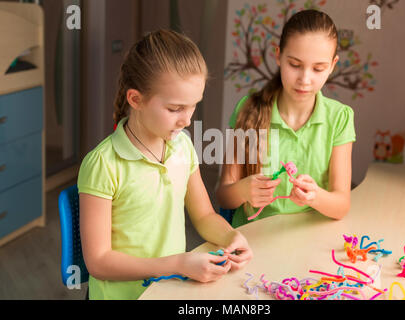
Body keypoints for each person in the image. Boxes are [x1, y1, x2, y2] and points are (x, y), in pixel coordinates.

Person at [78, 29, 252, 300]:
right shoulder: (103, 164)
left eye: (193, 106)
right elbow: (98, 261)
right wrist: (178, 264)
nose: (186, 120)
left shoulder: (182, 147)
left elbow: (204, 216)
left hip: (169, 291)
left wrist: (230, 237)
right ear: (135, 99)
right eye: (175, 109)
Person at [216, 10, 356, 228]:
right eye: (295, 65)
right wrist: (244, 191)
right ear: (278, 55)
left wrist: (315, 196)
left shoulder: (339, 118)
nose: (305, 79)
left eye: (318, 68)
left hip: (307, 235)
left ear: (332, 66)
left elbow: (341, 205)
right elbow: (224, 196)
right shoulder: (248, 109)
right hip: (252, 236)